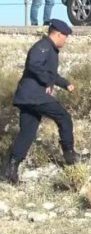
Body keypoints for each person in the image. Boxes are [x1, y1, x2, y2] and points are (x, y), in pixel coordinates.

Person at [2, 20, 78, 184]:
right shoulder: (43, 46)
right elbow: (33, 65)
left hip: (27, 97)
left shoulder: (49, 48)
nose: (65, 40)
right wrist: (46, 83)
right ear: (58, 34)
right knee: (64, 117)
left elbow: (51, 74)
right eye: (65, 37)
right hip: (34, 96)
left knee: (27, 133)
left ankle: (9, 171)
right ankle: (70, 155)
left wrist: (65, 84)